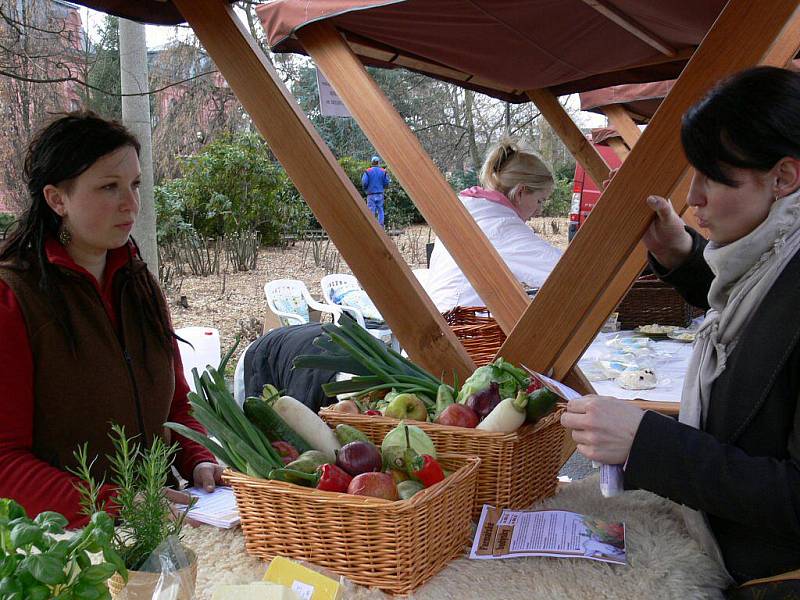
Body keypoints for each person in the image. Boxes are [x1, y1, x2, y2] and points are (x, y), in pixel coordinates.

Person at [561, 66, 800, 589]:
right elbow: (756, 323)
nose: (694, 198)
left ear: (783, 177)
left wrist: (648, 443)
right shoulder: (777, 257)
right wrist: (684, 256)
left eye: (713, 176)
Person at [0, 112, 222, 527]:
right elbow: (4, 463)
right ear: (56, 199)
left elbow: (176, 406)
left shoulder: (140, 284)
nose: (131, 203)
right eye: (109, 187)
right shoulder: (14, 297)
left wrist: (198, 458)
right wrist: (115, 503)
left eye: (135, 184)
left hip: (161, 520)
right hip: (62, 545)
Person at [425, 137, 562, 312]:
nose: (539, 210)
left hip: (444, 318)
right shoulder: (501, 226)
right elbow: (566, 271)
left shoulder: (471, 211)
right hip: (464, 331)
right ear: (520, 192)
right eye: (539, 201)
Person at [361, 155, 391, 226]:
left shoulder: (368, 171)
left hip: (370, 195)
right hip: (380, 194)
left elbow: (364, 182)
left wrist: (365, 189)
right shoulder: (383, 171)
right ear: (378, 162)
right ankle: (381, 228)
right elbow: (386, 182)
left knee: (371, 211)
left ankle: (372, 227)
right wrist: (383, 187)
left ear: (372, 162)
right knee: (380, 210)